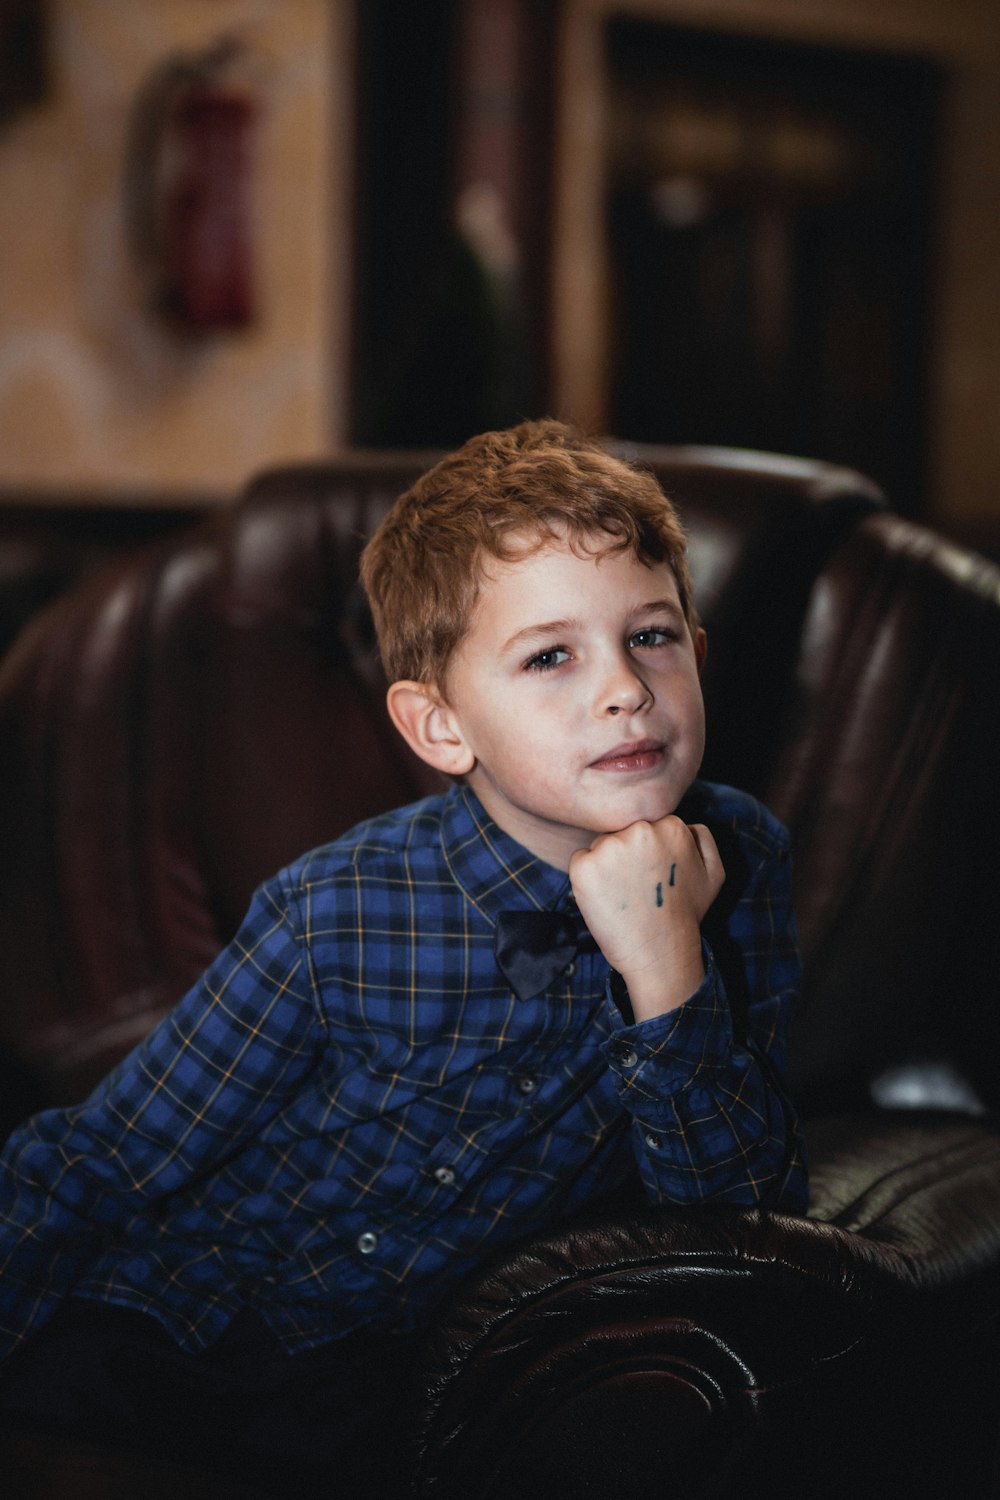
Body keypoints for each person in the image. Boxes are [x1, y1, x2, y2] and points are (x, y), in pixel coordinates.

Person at [0, 419, 807, 1494]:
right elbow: (114, 1155)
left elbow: (746, 1210)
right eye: (551, 655)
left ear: (696, 657)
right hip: (181, 1313)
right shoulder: (336, 909)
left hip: (395, 1380)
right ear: (439, 729)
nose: (624, 688)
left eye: (652, 637)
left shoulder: (740, 859)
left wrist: (667, 970)